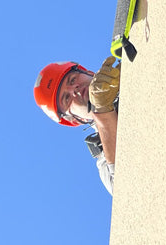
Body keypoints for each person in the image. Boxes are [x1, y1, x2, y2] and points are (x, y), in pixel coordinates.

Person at [34, 57, 120, 194]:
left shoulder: (128, 69)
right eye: (66, 98)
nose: (74, 89)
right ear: (75, 120)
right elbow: (124, 193)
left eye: (72, 80)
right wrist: (103, 112)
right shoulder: (106, 161)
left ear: (90, 72)